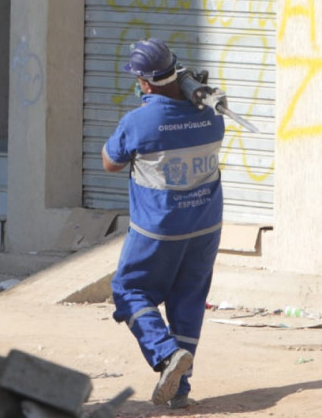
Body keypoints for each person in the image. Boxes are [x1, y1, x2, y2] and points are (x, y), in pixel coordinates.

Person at [101, 39, 226, 409]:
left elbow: (110, 162)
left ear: (143, 81)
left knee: (129, 290)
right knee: (188, 302)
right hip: (205, 226)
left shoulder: (140, 121)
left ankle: (164, 354)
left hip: (158, 229)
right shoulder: (211, 113)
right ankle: (180, 390)